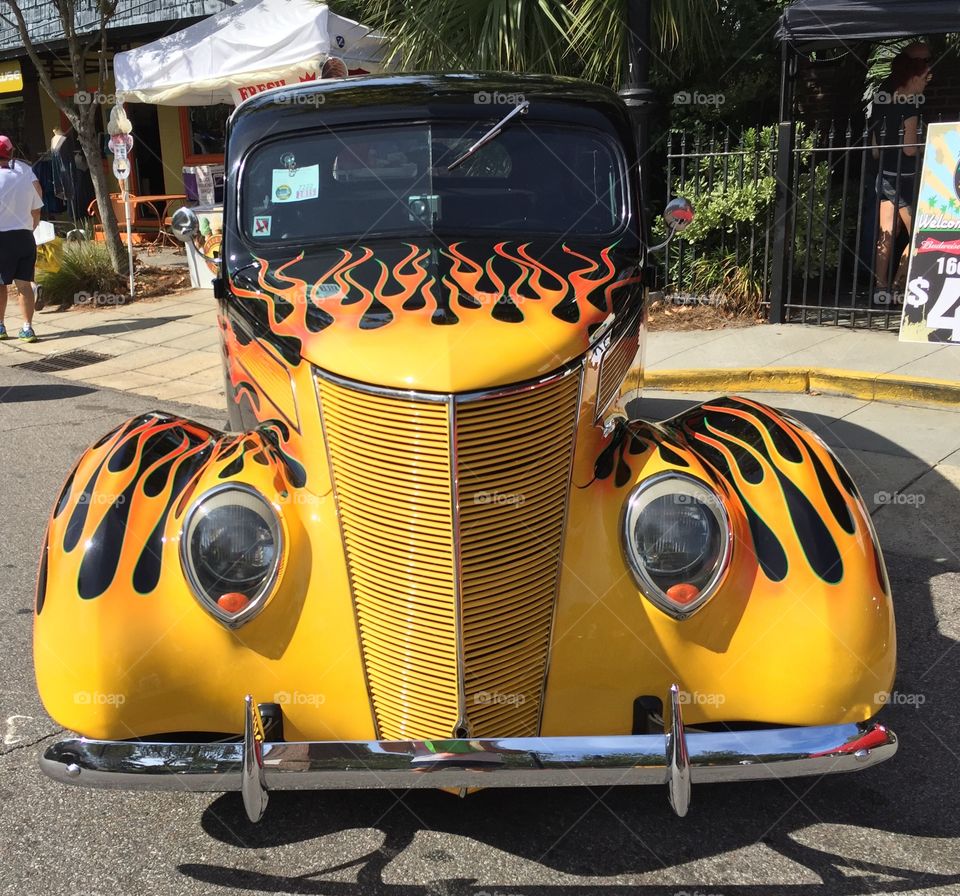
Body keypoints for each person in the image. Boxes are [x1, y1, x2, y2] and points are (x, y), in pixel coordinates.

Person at [870, 55, 931, 302]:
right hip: (904, 178)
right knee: (920, 234)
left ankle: (880, 289)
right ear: (914, 77)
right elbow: (909, 148)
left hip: (884, 173)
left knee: (887, 233)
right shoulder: (911, 104)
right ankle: (897, 286)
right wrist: (926, 147)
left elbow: (874, 148)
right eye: (926, 77)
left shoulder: (881, 101)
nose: (927, 82)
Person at [0, 135, 43, 342]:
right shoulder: (24, 174)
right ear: (11, 153)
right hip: (24, 237)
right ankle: (27, 328)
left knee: (0, 285)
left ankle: (0, 327)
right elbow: (37, 209)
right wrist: (30, 229)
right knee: (24, 285)